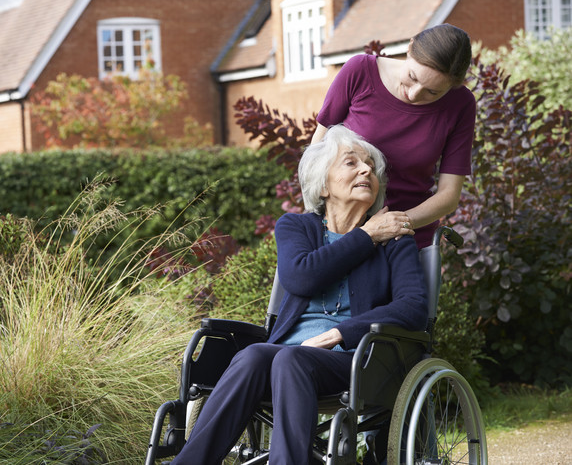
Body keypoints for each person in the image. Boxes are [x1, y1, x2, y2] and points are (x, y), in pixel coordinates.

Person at [171, 125, 428, 465]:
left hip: (357, 359)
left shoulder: (396, 240)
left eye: (370, 166)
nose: (367, 170)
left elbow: (413, 308)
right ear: (323, 185)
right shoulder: (297, 227)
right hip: (285, 356)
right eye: (351, 163)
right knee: (253, 357)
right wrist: (366, 235)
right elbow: (301, 277)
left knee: (289, 359)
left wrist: (340, 332)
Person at [312, 23, 476, 249]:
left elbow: (448, 195)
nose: (414, 94)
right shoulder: (359, 71)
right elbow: (315, 156)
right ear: (410, 48)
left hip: (406, 239)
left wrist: (393, 224)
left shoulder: (461, 105)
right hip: (339, 233)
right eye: (412, 77)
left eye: (433, 92)